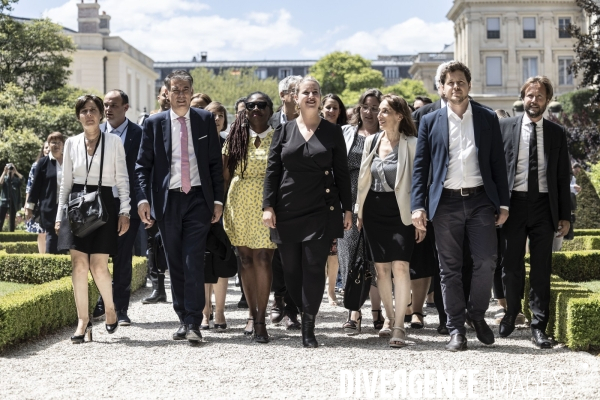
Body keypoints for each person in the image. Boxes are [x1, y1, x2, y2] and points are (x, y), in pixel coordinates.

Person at [411, 61, 510, 352]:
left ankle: (476, 314)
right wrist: (418, 205)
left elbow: (497, 164)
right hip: (445, 203)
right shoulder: (429, 121)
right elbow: (421, 168)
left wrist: (503, 203)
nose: (456, 86)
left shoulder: (486, 117)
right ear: (441, 88)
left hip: (480, 199)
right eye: (450, 82)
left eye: (461, 81)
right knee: (449, 269)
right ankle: (455, 329)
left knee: (486, 261)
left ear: (469, 85)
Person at [263, 76, 352, 348]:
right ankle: (300, 309)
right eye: (305, 92)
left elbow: (342, 174)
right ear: (295, 97)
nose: (311, 96)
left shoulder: (332, 132)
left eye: (315, 92)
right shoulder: (283, 131)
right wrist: (267, 206)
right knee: (291, 271)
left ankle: (308, 325)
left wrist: (347, 209)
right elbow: (273, 171)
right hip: (287, 209)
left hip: (321, 210)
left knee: (314, 267)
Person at [136, 70, 224, 344]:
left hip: (198, 199)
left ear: (191, 90)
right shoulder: (154, 123)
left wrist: (218, 200)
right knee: (174, 261)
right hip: (168, 200)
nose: (181, 94)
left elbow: (213, 164)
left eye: (186, 89)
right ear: (167, 93)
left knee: (193, 258)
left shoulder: (205, 119)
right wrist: (143, 200)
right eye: (176, 89)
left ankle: (193, 321)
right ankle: (183, 318)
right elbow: (142, 166)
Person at [498, 76, 571, 349]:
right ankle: (510, 314)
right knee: (510, 266)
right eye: (529, 95)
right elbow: (494, 171)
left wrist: (565, 216)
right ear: (522, 97)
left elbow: (562, 177)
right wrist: (498, 206)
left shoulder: (556, 132)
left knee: (541, 268)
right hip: (513, 205)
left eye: (539, 96)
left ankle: (539, 327)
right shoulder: (505, 127)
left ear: (547, 100)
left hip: (544, 206)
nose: (534, 100)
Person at [55, 94, 130, 343]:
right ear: (78, 116)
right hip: (76, 203)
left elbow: (123, 180)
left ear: (100, 114)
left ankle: (110, 309)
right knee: (78, 265)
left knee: (99, 266)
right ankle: (83, 321)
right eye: (83, 110)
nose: (88, 114)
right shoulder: (71, 143)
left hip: (104, 202)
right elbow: (65, 183)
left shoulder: (114, 142)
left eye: (93, 110)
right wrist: (59, 215)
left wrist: (125, 211)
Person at [355, 94, 424, 348]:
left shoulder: (413, 144)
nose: (379, 116)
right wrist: (359, 210)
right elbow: (364, 179)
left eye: (385, 111)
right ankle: (389, 317)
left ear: (399, 115)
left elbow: (420, 184)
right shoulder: (371, 141)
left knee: (401, 267)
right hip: (374, 210)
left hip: (402, 212)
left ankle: (399, 327)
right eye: (379, 111)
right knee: (381, 269)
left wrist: (420, 215)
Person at [223, 92, 277, 342]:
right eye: (250, 105)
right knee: (245, 260)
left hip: (267, 205)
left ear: (270, 109)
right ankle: (252, 315)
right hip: (239, 203)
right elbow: (225, 175)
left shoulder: (279, 137)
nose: (255, 108)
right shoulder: (236, 137)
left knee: (264, 258)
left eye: (261, 105)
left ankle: (261, 319)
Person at [89, 90, 143, 326]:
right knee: (98, 257)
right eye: (106, 105)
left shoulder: (138, 134)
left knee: (122, 257)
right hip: (99, 204)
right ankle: (103, 300)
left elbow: (142, 172)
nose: (108, 109)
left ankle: (120, 308)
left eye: (113, 105)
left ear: (126, 107)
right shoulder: (95, 133)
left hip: (127, 203)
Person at [338, 89, 385, 334]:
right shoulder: (346, 132)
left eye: (375, 107)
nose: (369, 112)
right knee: (350, 256)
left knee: (377, 258)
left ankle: (377, 311)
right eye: (365, 106)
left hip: (378, 200)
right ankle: (353, 312)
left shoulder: (388, 135)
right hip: (349, 202)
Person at [267, 75, 303, 330]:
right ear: (283, 96)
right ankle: (277, 299)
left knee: (296, 257)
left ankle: (293, 308)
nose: (299, 95)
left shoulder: (310, 123)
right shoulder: (267, 123)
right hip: (273, 199)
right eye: (294, 91)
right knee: (275, 256)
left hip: (302, 199)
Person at [200, 100, 229, 331]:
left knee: (221, 258)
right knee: (202, 261)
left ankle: (219, 311)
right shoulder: (196, 142)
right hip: (200, 206)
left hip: (227, 207)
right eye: (211, 114)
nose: (216, 118)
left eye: (220, 114)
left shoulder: (230, 143)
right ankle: (204, 311)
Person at [320, 93, 348, 306]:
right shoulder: (312, 130)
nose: (331, 111)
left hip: (336, 194)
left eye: (335, 108)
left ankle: (331, 291)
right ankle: (317, 289)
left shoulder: (346, 132)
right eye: (328, 107)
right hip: (315, 193)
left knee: (333, 248)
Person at [25, 133, 65, 254]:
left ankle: (64, 263)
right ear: (49, 145)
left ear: (63, 144)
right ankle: (51, 263)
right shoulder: (42, 163)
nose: (56, 145)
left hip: (67, 206)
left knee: (65, 237)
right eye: (53, 142)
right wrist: (29, 208)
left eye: (59, 142)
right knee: (52, 236)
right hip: (49, 207)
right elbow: (35, 187)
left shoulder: (70, 160)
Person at [25, 142, 49, 253]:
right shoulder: (36, 165)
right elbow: (29, 187)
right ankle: (42, 256)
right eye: (46, 147)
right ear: (43, 150)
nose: (48, 149)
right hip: (38, 204)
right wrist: (27, 206)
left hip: (52, 202)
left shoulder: (60, 164)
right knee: (41, 232)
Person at [0, 163, 23, 232]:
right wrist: (4, 172)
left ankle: (11, 233)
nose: (10, 170)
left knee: (12, 220)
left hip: (13, 201)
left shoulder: (16, 180)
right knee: (0, 219)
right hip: (4, 201)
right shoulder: (5, 178)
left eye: (11, 169)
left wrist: (15, 171)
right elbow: (0, 182)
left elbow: (23, 179)